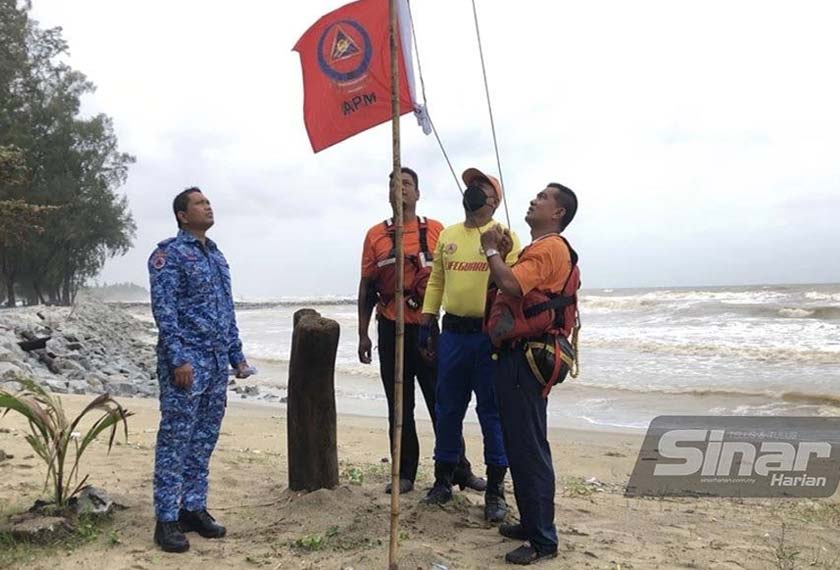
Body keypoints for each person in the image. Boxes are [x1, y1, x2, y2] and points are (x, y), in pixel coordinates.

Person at [358, 167, 485, 495]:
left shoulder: (438, 232)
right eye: (393, 184)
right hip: (390, 329)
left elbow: (453, 277)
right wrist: (362, 334)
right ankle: (404, 474)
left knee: (443, 402)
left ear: (417, 193)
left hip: (428, 330)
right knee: (399, 406)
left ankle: (459, 468)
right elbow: (367, 287)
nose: (399, 189)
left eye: (406, 184)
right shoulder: (375, 235)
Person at [148, 187, 253, 553]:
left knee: (203, 439)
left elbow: (227, 310)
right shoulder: (168, 255)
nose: (208, 206)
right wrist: (178, 359)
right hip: (187, 363)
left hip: (214, 362)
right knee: (175, 439)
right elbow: (165, 311)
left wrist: (236, 356)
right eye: (199, 203)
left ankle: (193, 507)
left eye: (208, 202)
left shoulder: (217, 255)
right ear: (181, 214)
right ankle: (166, 519)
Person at [480, 182, 579, 565]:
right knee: (523, 444)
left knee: (529, 449)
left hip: (525, 359)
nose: (534, 199)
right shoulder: (536, 249)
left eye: (543, 198)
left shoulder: (550, 247)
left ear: (558, 213)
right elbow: (508, 282)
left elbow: (511, 284)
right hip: (519, 356)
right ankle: (532, 523)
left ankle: (543, 540)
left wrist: (490, 249)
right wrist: (503, 255)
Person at [420, 167, 521, 522]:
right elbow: (436, 281)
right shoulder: (448, 235)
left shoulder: (506, 237)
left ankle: (495, 489)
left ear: (494, 200)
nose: (473, 191)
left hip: (488, 337)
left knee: (491, 412)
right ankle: (443, 480)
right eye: (470, 187)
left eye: (481, 187)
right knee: (447, 408)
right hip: (453, 335)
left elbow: (512, 285)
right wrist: (427, 319)